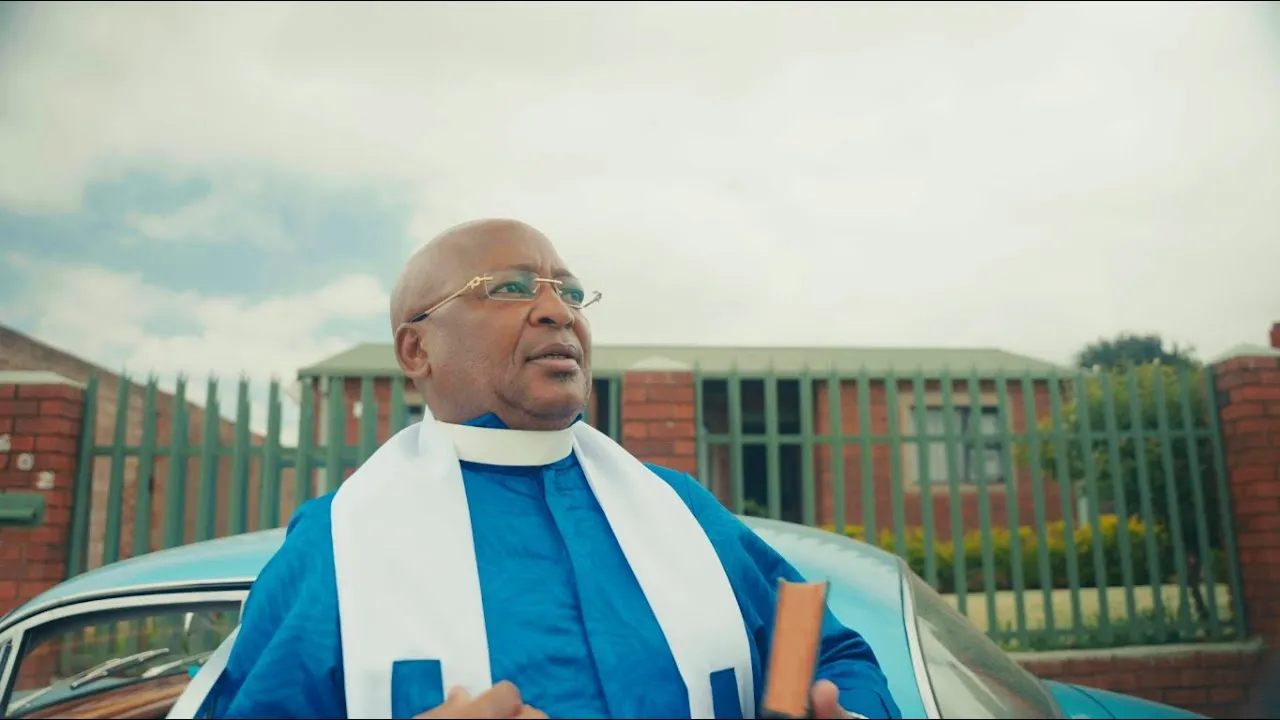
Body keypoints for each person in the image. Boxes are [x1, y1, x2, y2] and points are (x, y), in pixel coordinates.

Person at [208, 219, 901, 720]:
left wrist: (844, 710)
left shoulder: (681, 510)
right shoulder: (342, 543)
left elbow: (828, 654)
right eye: (509, 288)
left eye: (569, 294)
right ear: (416, 350)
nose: (556, 312)